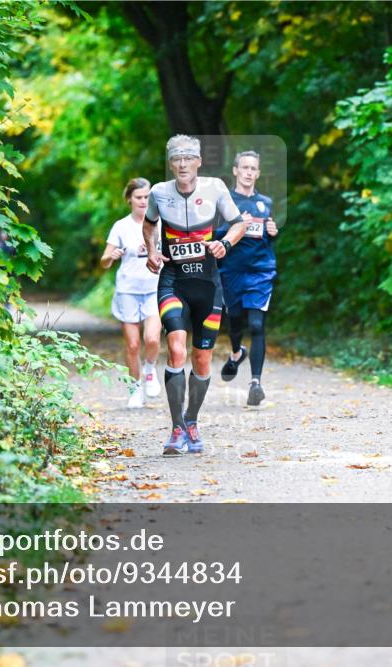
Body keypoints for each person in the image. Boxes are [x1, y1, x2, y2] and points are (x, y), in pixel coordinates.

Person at [143, 135, 249, 455]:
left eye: (189, 157)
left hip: (208, 282)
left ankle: (191, 419)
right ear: (170, 163)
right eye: (177, 158)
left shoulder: (215, 187)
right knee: (176, 346)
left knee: (202, 359)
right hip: (173, 280)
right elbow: (149, 226)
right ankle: (176, 429)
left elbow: (238, 224)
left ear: (199, 162)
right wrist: (151, 250)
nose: (183, 163)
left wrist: (224, 244)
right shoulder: (158, 193)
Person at [217, 150, 279, 406]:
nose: (249, 173)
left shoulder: (265, 203)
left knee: (256, 324)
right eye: (244, 168)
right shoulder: (224, 201)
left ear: (258, 173)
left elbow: (265, 237)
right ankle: (235, 353)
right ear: (235, 171)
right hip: (231, 270)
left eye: (253, 169)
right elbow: (214, 235)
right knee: (235, 322)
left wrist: (273, 233)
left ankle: (256, 383)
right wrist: (235, 225)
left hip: (260, 272)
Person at [100, 177, 162, 408]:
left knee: (153, 338)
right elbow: (104, 262)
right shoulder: (121, 226)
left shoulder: (160, 224)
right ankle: (135, 389)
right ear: (129, 200)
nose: (144, 201)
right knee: (133, 345)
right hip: (127, 290)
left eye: (147, 197)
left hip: (154, 288)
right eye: (139, 197)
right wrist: (111, 256)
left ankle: (149, 369)